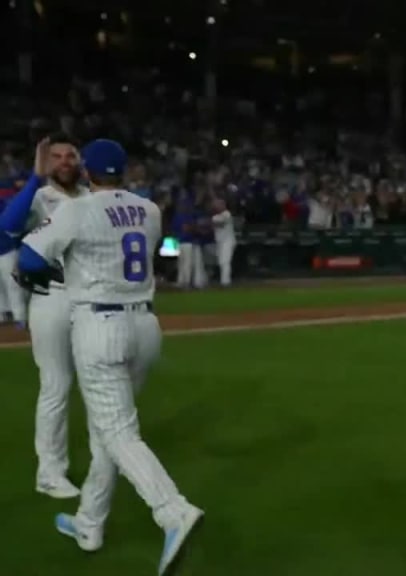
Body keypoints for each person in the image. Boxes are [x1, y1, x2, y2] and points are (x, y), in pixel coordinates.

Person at [16, 139, 203, 575]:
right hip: (145, 325)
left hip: (100, 326)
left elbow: (28, 256)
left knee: (118, 433)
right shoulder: (150, 209)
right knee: (107, 432)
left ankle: (172, 511)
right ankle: (89, 522)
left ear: (87, 172)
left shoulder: (77, 209)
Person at [0, 133, 88, 499]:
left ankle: (111, 455)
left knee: (99, 381)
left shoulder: (89, 196)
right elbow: (7, 225)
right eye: (57, 156)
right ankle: (50, 472)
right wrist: (35, 177)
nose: (64, 161)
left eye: (70, 155)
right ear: (46, 161)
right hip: (51, 297)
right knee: (56, 385)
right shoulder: (37, 195)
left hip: (88, 297)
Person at [210, 198, 236, 286]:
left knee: (225, 261)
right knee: (221, 262)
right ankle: (224, 281)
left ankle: (225, 282)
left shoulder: (227, 214)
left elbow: (219, 223)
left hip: (228, 242)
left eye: (218, 205)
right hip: (220, 242)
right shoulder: (215, 216)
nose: (216, 207)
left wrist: (209, 222)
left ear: (223, 205)